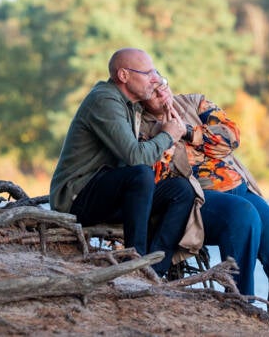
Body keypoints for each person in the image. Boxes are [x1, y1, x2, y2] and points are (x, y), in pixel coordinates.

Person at [140, 82, 269, 323]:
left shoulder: (194, 102)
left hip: (239, 187)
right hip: (198, 198)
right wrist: (169, 136)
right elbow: (154, 175)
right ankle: (242, 306)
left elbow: (231, 135)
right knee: (241, 215)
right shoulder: (140, 125)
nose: (161, 92)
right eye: (152, 90)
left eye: (161, 84)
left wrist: (189, 132)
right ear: (140, 96)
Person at [49, 48, 197, 276]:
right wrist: (168, 136)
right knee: (140, 174)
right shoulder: (104, 100)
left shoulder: (131, 105)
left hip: (107, 193)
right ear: (124, 76)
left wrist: (164, 108)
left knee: (181, 190)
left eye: (155, 72)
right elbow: (136, 157)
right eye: (148, 74)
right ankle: (134, 261)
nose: (156, 79)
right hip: (75, 197)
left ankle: (155, 271)